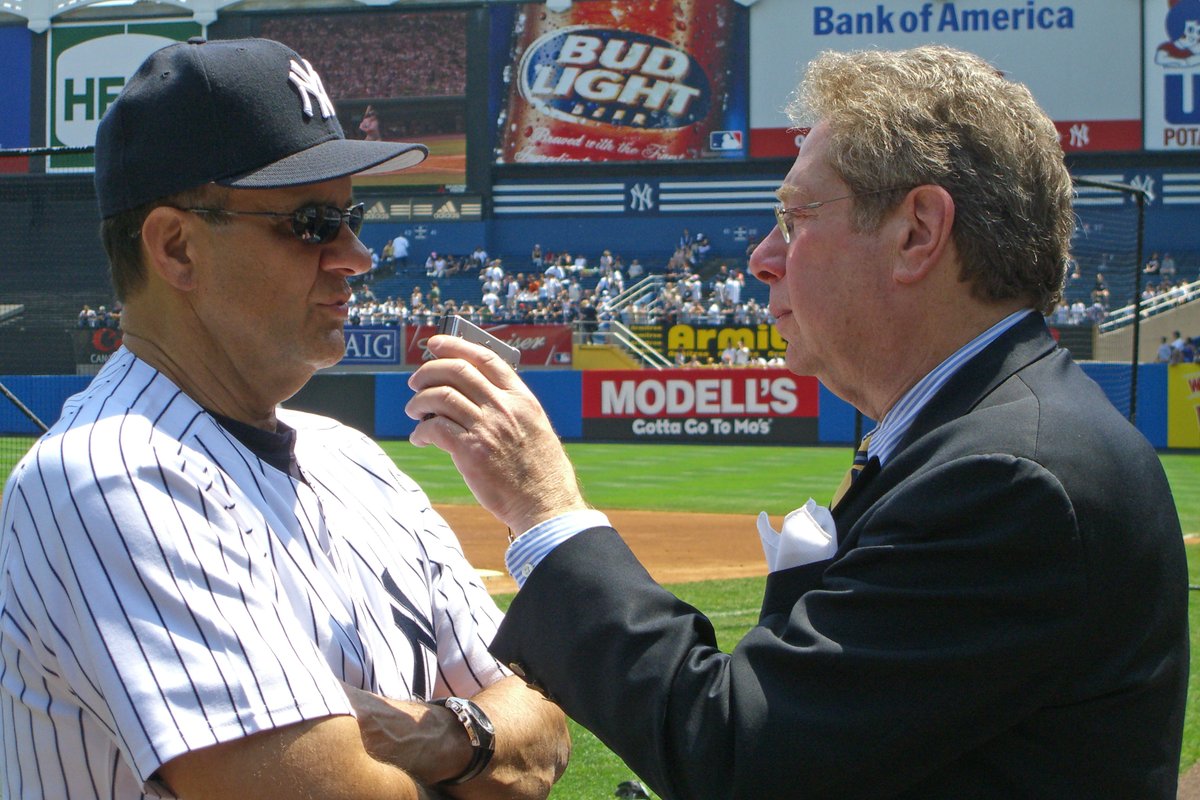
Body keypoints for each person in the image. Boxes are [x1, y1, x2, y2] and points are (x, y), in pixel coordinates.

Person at [404, 45, 1188, 799]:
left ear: (917, 231)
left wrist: (545, 512)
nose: (761, 257)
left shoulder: (1009, 474)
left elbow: (739, 755)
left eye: (795, 215)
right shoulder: (990, 435)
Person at [0, 37, 568, 800]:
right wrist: (471, 749)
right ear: (176, 248)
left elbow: (544, 729)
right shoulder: (110, 477)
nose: (356, 255)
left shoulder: (357, 461)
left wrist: (431, 735)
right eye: (310, 222)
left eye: (351, 215)